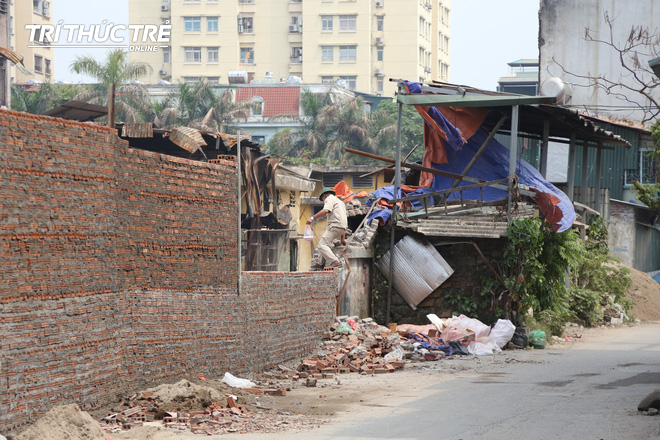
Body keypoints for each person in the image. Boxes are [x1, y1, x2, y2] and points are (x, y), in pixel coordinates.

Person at [307, 187, 348, 270]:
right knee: (326, 243)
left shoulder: (329, 198)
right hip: (342, 228)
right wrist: (342, 239)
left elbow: (326, 210)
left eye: (322, 199)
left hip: (334, 226)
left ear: (324, 195)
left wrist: (312, 218)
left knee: (321, 245)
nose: (323, 201)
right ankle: (320, 263)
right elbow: (342, 221)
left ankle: (335, 261)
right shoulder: (340, 202)